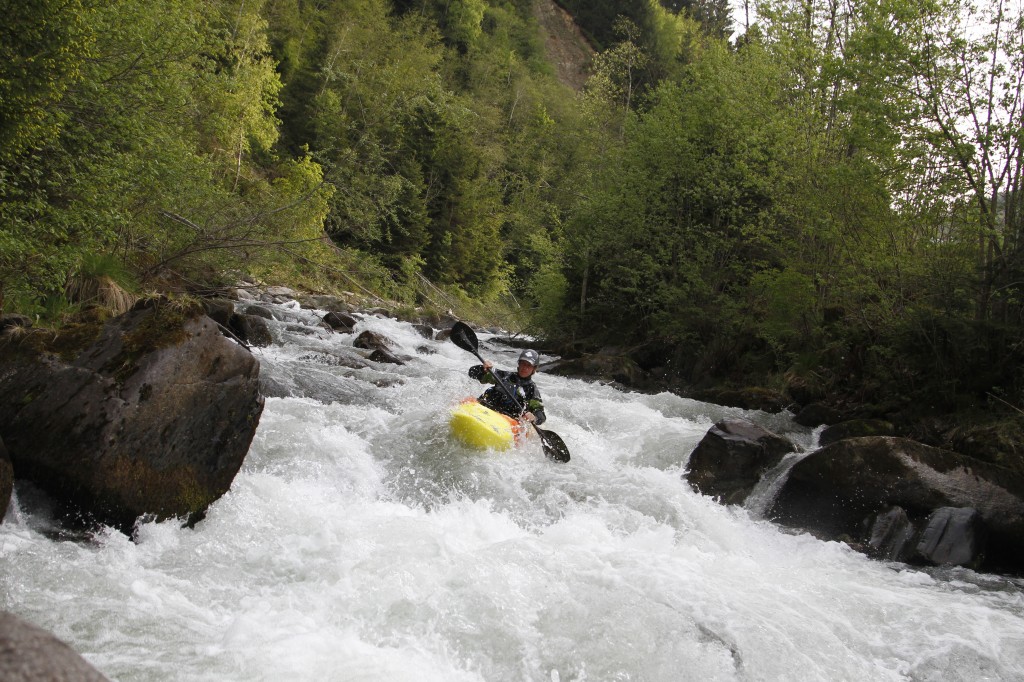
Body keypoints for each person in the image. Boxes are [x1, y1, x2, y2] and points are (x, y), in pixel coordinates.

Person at [468, 349, 546, 425]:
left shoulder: (531, 389)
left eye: (529, 365)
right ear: (519, 364)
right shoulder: (504, 376)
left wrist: (534, 417)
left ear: (534, 369)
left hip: (507, 422)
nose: (524, 367)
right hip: (485, 410)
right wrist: (483, 369)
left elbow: (541, 415)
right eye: (523, 363)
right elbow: (472, 372)